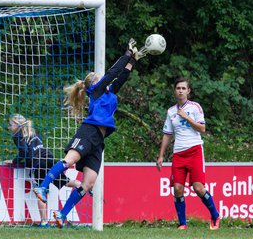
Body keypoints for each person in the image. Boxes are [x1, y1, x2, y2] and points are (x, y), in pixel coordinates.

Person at [33, 38, 145, 228]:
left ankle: (61, 214)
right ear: (93, 83)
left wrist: (133, 60)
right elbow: (112, 73)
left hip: (98, 140)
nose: (103, 78)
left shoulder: (109, 92)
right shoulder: (97, 90)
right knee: (68, 161)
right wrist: (126, 53)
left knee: (88, 183)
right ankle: (42, 187)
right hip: (88, 131)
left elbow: (122, 77)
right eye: (99, 77)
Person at [156, 76, 220, 230]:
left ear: (188, 91)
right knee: (177, 189)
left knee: (198, 188)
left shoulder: (195, 107)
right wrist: (161, 155)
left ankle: (215, 215)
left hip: (195, 150)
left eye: (184, 88)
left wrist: (186, 117)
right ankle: (182, 223)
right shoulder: (171, 111)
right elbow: (167, 134)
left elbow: (202, 129)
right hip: (178, 154)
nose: (181, 91)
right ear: (174, 91)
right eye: (178, 88)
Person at [5, 114, 82, 228]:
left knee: (41, 191)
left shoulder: (17, 135)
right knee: (64, 181)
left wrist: (15, 161)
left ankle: (44, 222)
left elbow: (24, 152)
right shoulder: (33, 132)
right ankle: (83, 186)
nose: (9, 127)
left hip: (38, 163)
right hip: (49, 159)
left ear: (17, 125)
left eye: (11, 125)